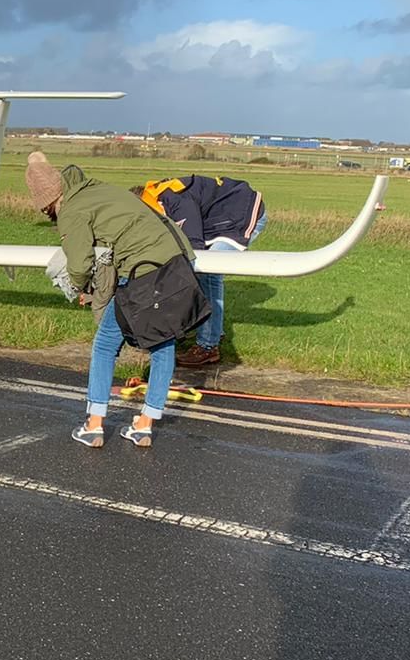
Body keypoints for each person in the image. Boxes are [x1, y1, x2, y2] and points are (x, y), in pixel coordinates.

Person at [27, 151, 193, 448]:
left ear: (47, 204)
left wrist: (81, 289)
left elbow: (79, 263)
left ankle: (94, 426)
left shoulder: (72, 211)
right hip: (176, 262)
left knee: (104, 345)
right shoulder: (96, 189)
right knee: (163, 343)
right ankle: (145, 424)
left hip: (143, 271)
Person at [133, 175, 266, 368]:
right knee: (200, 275)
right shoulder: (157, 197)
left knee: (207, 273)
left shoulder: (174, 201)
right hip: (220, 216)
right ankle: (211, 332)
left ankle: (208, 346)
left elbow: (194, 250)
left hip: (240, 215)